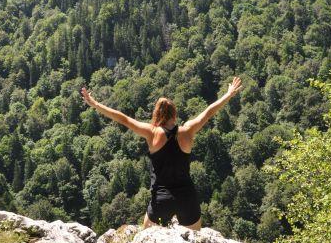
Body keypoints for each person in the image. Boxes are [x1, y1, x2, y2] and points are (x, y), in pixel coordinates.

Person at [80, 76, 243, 230]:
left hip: (161, 199)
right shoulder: (188, 131)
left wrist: (95, 104)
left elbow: (123, 119)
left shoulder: (152, 133)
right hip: (187, 197)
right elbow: (208, 112)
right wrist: (228, 94)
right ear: (175, 114)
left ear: (157, 114)